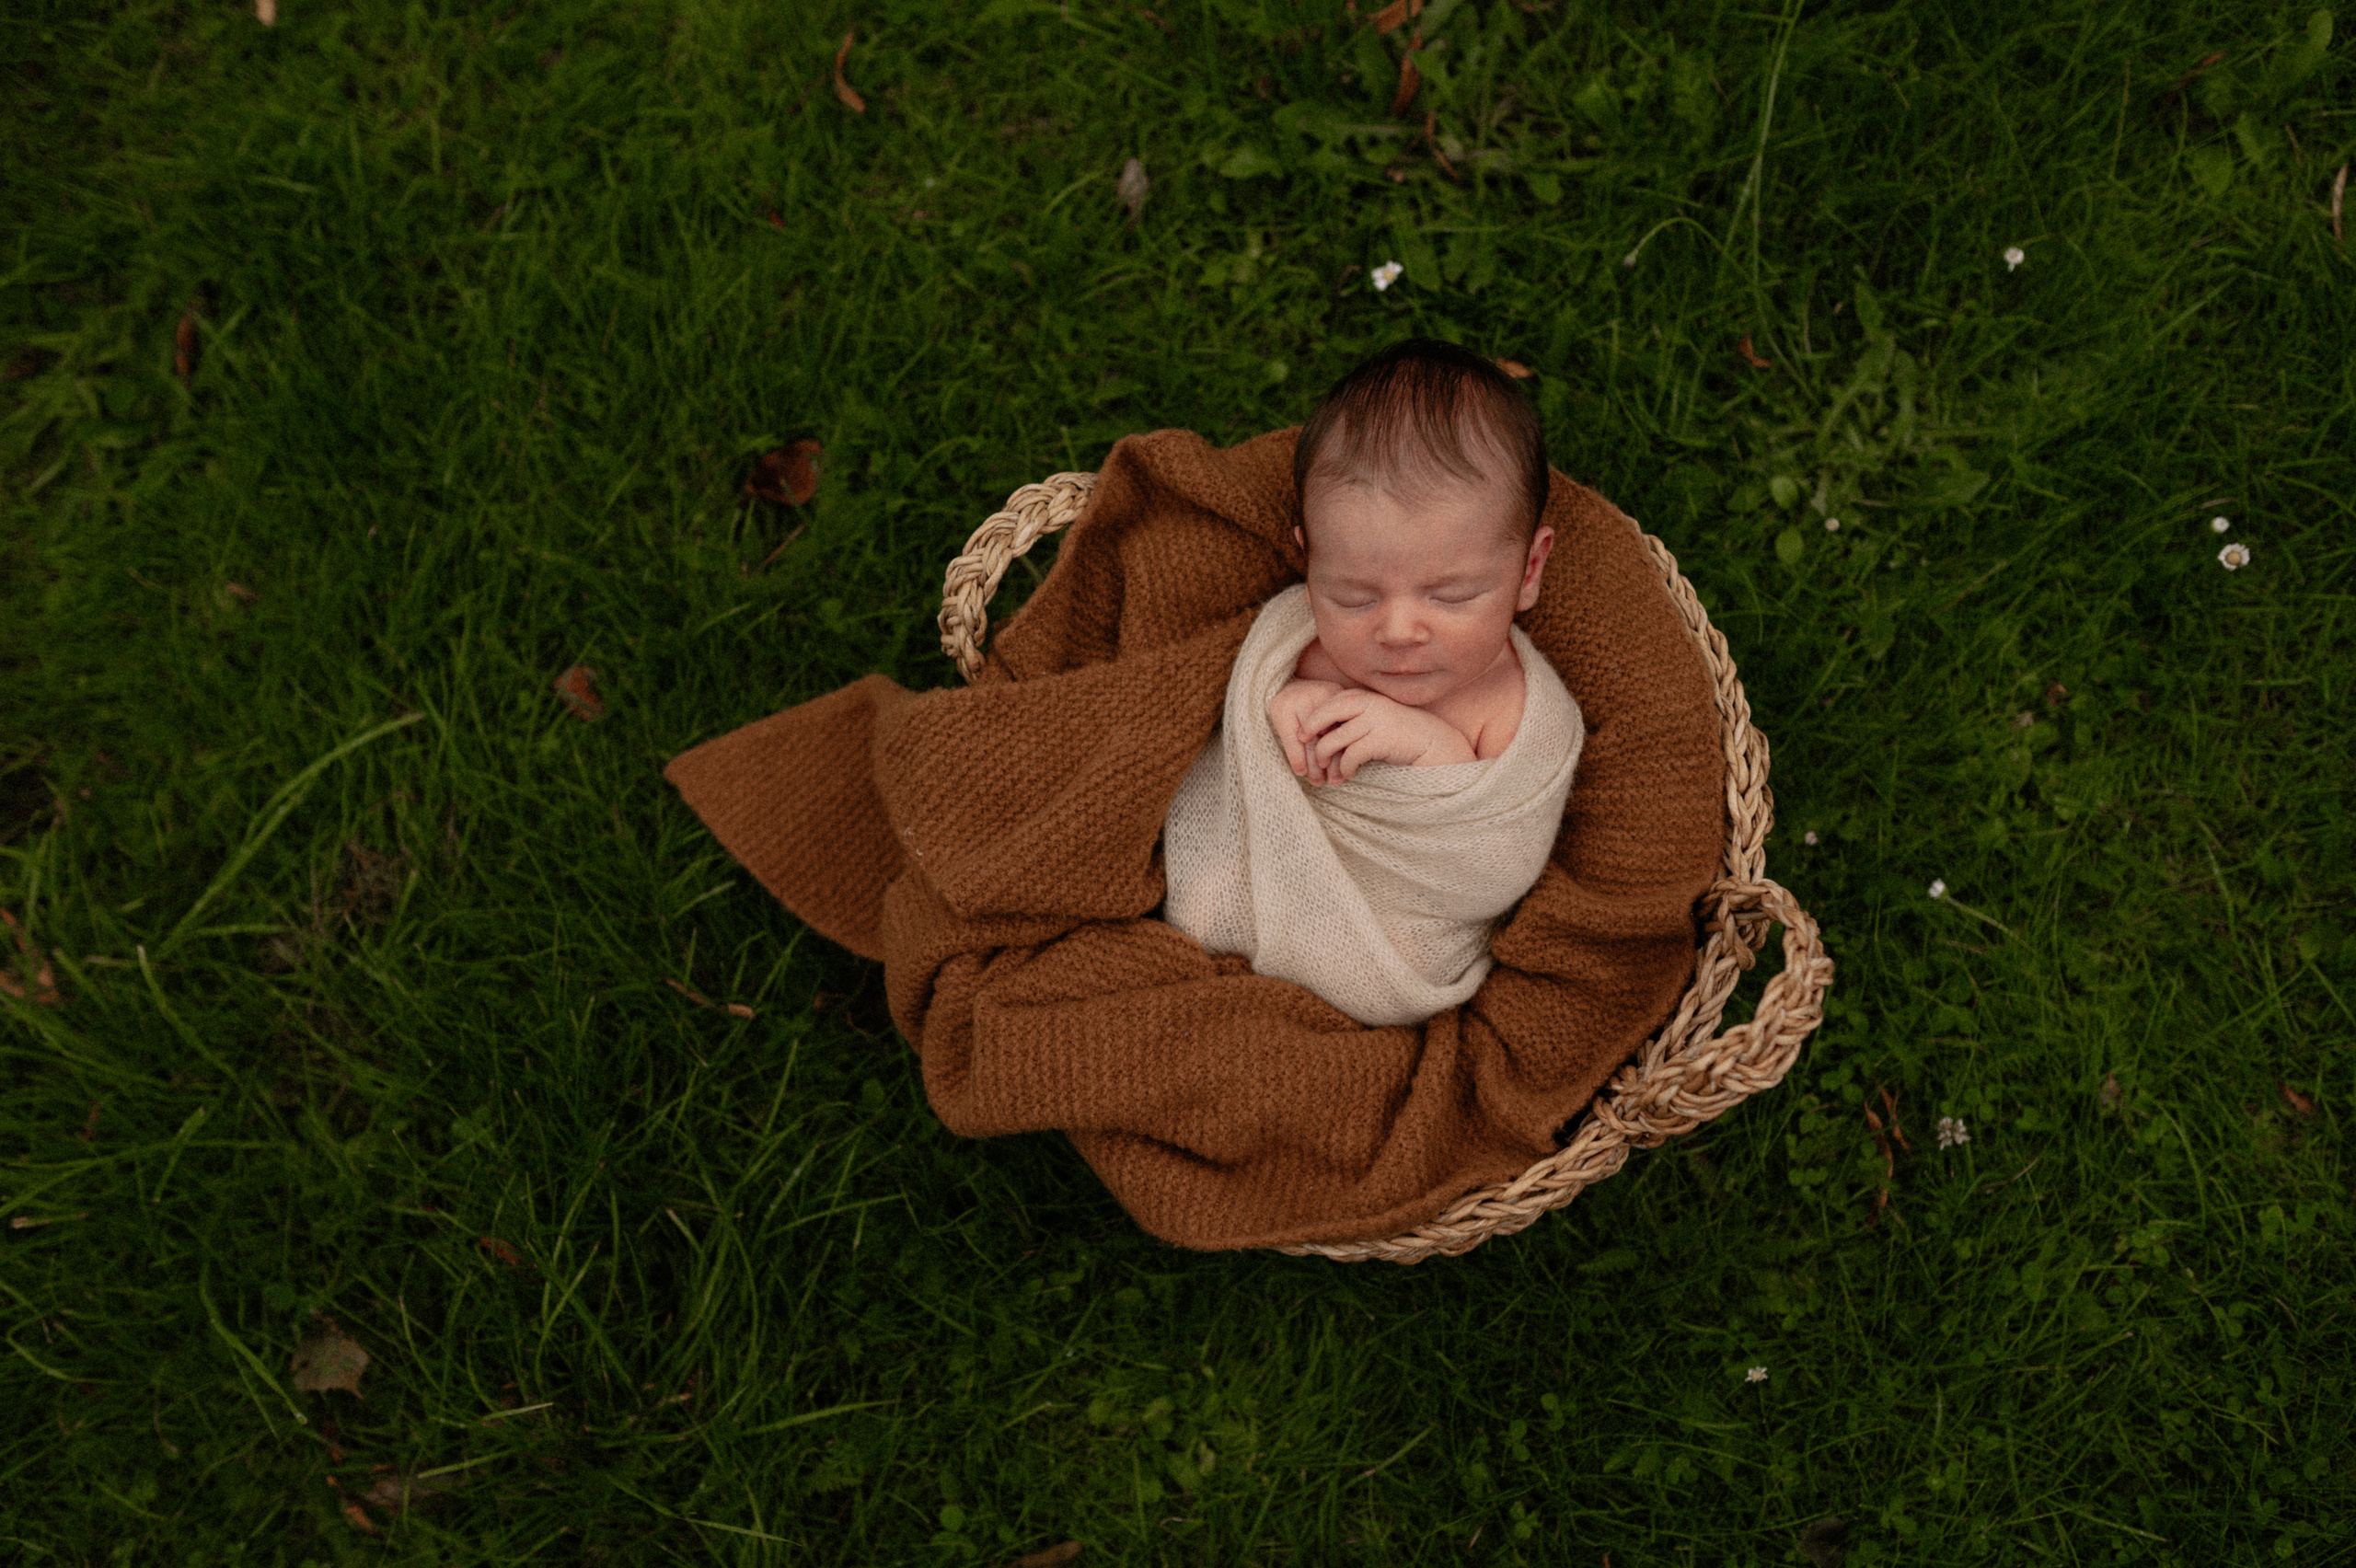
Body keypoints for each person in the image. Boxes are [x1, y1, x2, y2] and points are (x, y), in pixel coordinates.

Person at [1158, 339, 1587, 1027]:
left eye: (1450, 596)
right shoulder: (1297, 641)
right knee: (1196, 905)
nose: (1397, 631)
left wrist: (1431, 748)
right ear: (1307, 559)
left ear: (1528, 572)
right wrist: (1281, 708)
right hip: (1253, 876)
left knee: (1383, 979)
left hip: (1390, 944)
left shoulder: (1517, 708)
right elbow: (1229, 738)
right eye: (1354, 595)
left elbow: (1496, 866)